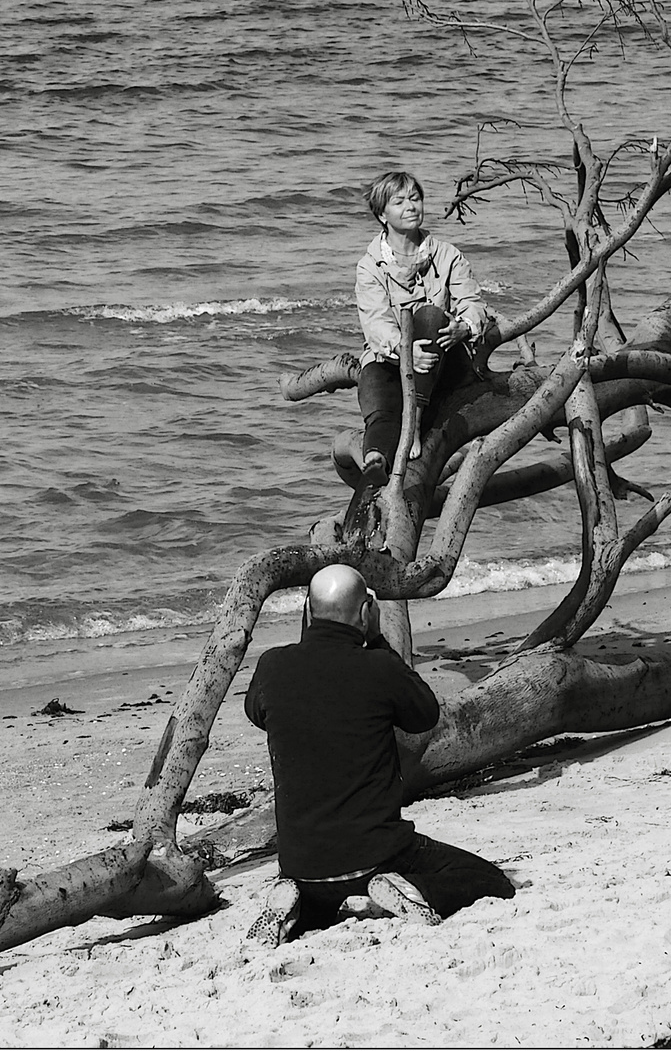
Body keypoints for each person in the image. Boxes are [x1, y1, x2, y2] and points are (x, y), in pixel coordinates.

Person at [243, 564, 516, 946]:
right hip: (377, 856)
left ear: (307, 612)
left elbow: (259, 713)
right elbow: (425, 714)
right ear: (367, 613)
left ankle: (292, 903)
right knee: (489, 880)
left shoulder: (272, 666)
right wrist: (380, 641)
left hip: (302, 866)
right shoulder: (379, 667)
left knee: (319, 906)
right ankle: (406, 890)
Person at [354, 170, 493, 487]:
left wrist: (465, 327)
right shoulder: (369, 265)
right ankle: (375, 460)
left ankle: (413, 423)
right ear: (382, 215)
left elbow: (472, 302)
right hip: (392, 358)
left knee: (431, 315)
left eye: (415, 199)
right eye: (399, 201)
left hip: (442, 357)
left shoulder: (446, 255)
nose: (411, 206)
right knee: (375, 386)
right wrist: (405, 352)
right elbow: (375, 322)